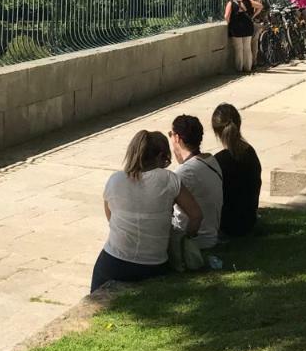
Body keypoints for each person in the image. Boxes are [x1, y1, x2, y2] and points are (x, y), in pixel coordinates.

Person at [92, 130, 203, 292]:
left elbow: (111, 217)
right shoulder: (168, 179)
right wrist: (186, 239)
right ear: (160, 157)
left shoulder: (115, 180)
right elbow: (196, 215)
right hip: (153, 264)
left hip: (114, 262)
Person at [168, 115, 223, 250]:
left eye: (171, 134)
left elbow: (161, 208)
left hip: (195, 241)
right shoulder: (211, 160)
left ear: (176, 138)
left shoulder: (184, 173)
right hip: (211, 236)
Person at [211, 104, 261, 238]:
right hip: (249, 221)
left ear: (216, 131)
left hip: (226, 226)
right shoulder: (250, 152)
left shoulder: (218, 161)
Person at [225, 0, 260, 72]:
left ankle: (239, 68)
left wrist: (228, 22)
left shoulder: (231, 3)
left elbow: (226, 16)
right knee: (247, 48)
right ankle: (248, 67)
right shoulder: (247, 0)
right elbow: (260, 6)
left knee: (238, 49)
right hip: (248, 25)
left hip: (236, 27)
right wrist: (253, 16)